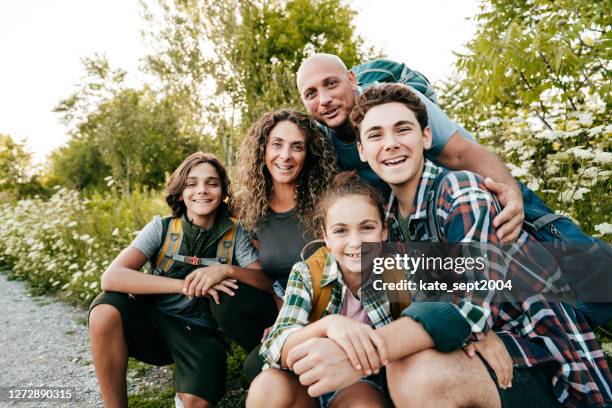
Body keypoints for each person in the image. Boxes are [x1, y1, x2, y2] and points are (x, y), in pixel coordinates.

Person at [286, 84, 612, 407]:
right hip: (478, 346)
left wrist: (362, 353)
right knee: (406, 363)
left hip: (548, 357)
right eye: (375, 135)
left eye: (402, 130)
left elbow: (473, 304)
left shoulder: (460, 192)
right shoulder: (386, 222)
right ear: (361, 150)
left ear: (425, 137)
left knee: (416, 372)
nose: (390, 144)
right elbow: (417, 308)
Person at [88, 152, 272, 408]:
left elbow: (265, 281)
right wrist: (185, 286)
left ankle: (186, 387)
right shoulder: (161, 228)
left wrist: (229, 271)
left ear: (222, 191)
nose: (202, 191)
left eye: (212, 183)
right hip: (154, 325)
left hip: (200, 333)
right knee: (104, 310)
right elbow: (111, 277)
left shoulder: (236, 232)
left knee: (198, 403)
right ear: (180, 190)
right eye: (192, 183)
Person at [296, 53, 524, 244]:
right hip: (405, 217)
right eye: (311, 93)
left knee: (521, 219)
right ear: (361, 149)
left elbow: (461, 153)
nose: (324, 99)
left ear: (352, 79)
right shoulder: (320, 139)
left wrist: (511, 193)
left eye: (331, 83)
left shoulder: (396, 102)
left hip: (455, 198)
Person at [247, 172, 393, 408]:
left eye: (366, 228)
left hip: (360, 380)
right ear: (325, 236)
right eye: (340, 231)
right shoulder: (307, 272)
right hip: (307, 382)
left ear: (383, 230)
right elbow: (274, 346)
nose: (355, 242)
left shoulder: (396, 270)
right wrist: (329, 324)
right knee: (266, 388)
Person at [234, 109, 338, 381]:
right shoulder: (250, 207)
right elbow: (268, 273)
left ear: (309, 155)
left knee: (256, 370)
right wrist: (281, 320)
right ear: (263, 150)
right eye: (277, 144)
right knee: (228, 300)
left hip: (328, 306)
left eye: (297, 147)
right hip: (286, 305)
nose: (285, 156)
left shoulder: (328, 200)